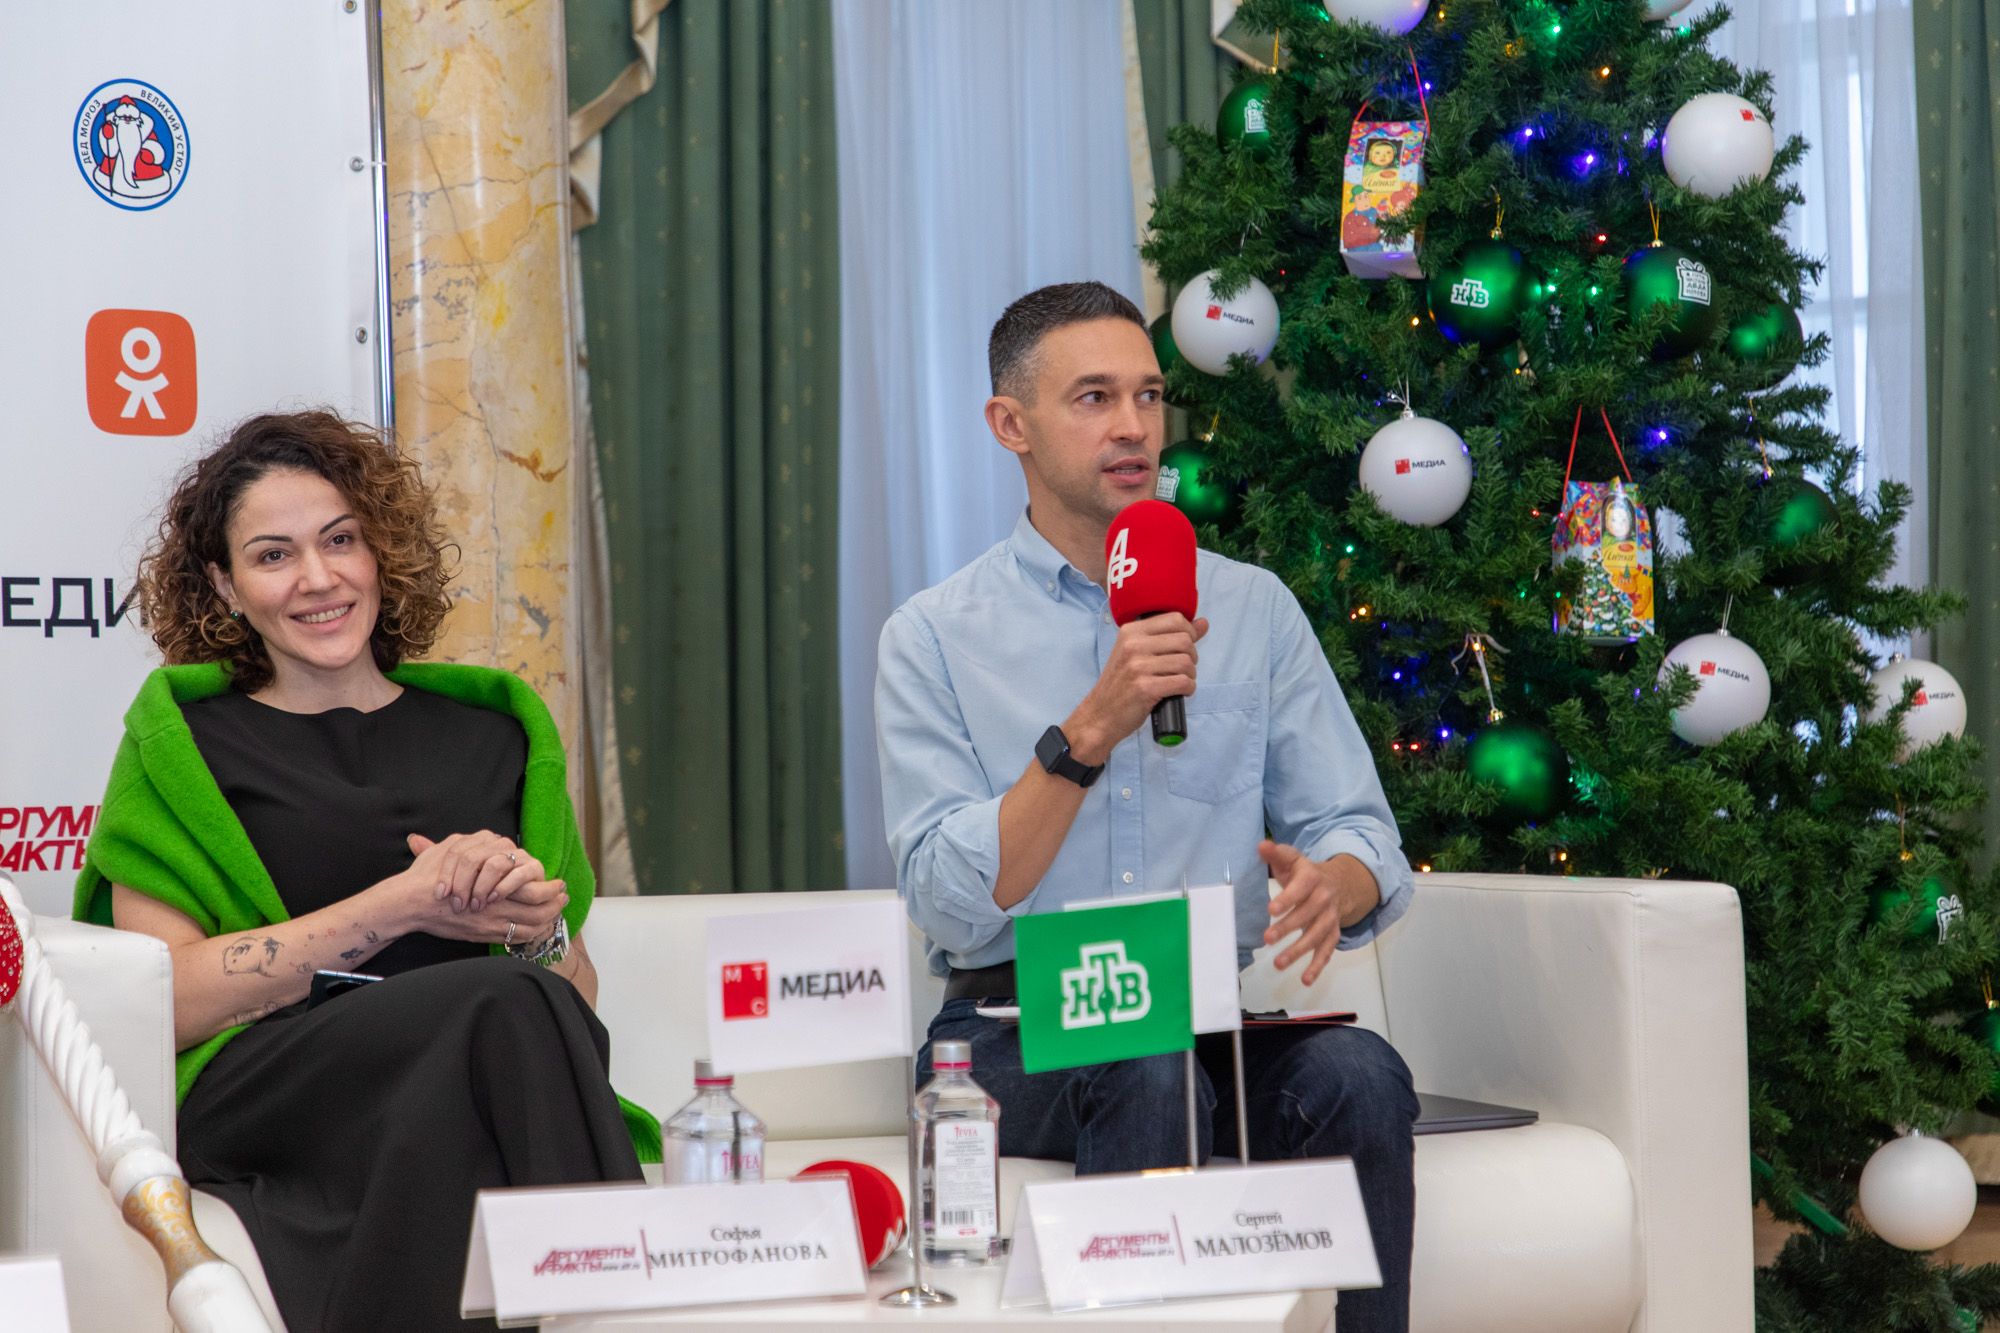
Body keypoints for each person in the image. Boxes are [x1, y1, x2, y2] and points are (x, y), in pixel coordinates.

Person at [876, 283, 1419, 1331]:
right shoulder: (933, 635)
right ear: (1010, 425)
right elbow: (947, 899)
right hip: (1013, 1027)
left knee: (1357, 1073)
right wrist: (1089, 728)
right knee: (1141, 1053)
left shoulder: (1251, 606)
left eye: (1149, 395)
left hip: (1202, 1015)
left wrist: (1334, 882)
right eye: (1093, 398)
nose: (1132, 425)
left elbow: (1358, 832)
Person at [73, 411, 644, 1332]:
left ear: (381, 550)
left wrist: (536, 931)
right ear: (223, 584)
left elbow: (573, 1006)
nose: (318, 577)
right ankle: (626, 1306)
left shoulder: (498, 732)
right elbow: (163, 1001)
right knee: (498, 1007)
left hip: (477, 1058)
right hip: (272, 1081)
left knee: (512, 1012)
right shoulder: (185, 743)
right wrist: (402, 904)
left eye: (341, 539)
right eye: (274, 555)